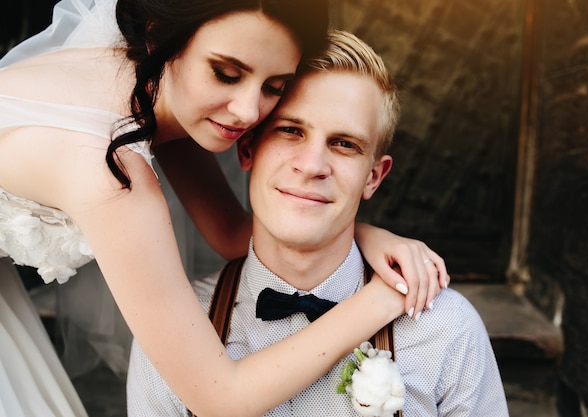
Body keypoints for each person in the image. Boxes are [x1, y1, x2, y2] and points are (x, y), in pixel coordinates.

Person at [0, 0, 449, 416]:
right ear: (158, 38)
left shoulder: (157, 85)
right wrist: (385, 297)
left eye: (275, 86)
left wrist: (368, 236)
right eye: (227, 73)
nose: (248, 111)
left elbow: (233, 234)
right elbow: (220, 396)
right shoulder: (109, 169)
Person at [127, 30, 509, 416]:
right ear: (247, 149)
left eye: (344, 144)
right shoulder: (175, 335)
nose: (311, 166)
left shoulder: (447, 331)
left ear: (373, 177)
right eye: (291, 130)